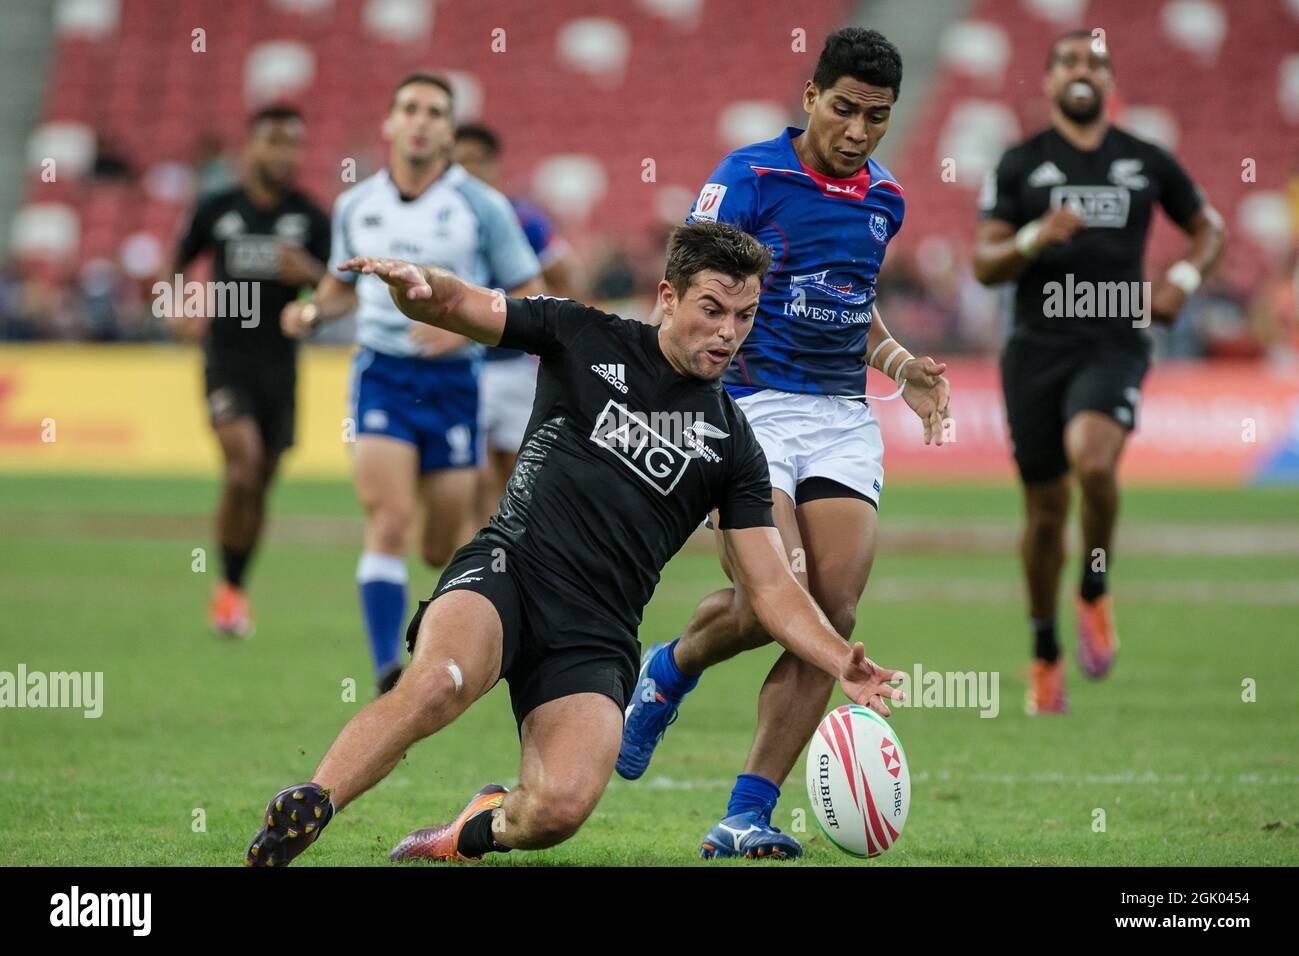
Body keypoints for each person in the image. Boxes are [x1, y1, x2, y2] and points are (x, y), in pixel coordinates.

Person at [243, 223, 908, 867]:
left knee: (557, 810)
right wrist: (419, 287)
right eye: (712, 309)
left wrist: (836, 658)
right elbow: (459, 305)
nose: (729, 332)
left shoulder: (733, 443)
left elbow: (767, 587)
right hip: (510, 569)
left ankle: (471, 831)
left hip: (597, 632)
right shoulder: (583, 333)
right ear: (669, 297)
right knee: (439, 683)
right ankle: (312, 805)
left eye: (745, 315)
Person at [616, 27, 950, 860]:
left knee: (830, 615)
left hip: (840, 418)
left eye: (877, 117)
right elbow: (686, 291)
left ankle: (740, 810)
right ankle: (672, 673)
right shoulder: (748, 177)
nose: (859, 131)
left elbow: (850, 302)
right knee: (786, 594)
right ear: (810, 97)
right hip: (743, 409)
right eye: (844, 109)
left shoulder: (886, 200)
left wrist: (901, 362)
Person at [973, 30, 1225, 713]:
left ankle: (1093, 588)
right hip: (1035, 351)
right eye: (1069, 62)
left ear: (1109, 82)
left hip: (1116, 341)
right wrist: (1032, 236)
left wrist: (1179, 276)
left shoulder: (1144, 160)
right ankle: (1045, 650)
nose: (1083, 71)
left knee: (1094, 463)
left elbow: (1210, 229)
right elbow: (984, 260)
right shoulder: (1021, 163)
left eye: (1096, 62)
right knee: (1046, 515)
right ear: (1050, 82)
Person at [280, 74, 543, 694]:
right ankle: (385, 671)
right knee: (389, 518)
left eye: (435, 112)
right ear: (390, 124)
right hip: (382, 376)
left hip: (454, 384)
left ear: (449, 131)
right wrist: (312, 312)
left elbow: (529, 292)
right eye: (410, 109)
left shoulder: (481, 206)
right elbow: (340, 289)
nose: (421, 121)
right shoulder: (355, 205)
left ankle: (468, 636)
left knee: (439, 544)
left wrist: (463, 329)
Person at [165, 104, 331, 637]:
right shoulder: (217, 208)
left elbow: (336, 290)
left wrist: (309, 278)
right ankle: (229, 592)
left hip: (280, 370)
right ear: (251, 147)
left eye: (293, 144)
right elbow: (174, 263)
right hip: (226, 361)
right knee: (243, 464)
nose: (285, 154)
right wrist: (177, 307)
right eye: (274, 141)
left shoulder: (310, 216)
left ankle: (232, 589)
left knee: (258, 483)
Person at [453, 122, 579, 523]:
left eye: (477, 161)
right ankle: (481, 564)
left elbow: (563, 275)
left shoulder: (522, 220)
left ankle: (508, 558)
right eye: (460, 163)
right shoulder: (441, 223)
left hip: (513, 366)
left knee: (518, 473)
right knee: (476, 475)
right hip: (463, 366)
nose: (469, 171)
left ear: (494, 166)